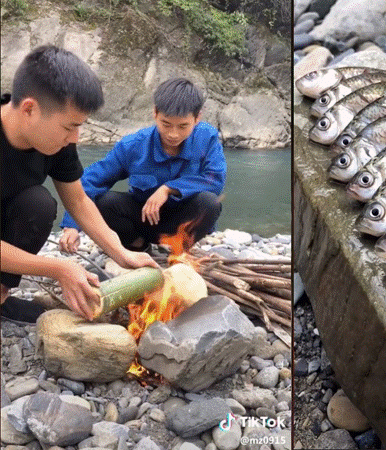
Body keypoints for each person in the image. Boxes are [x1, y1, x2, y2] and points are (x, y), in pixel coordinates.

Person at [1, 45, 158, 324]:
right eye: (69, 127)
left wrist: (121, 253)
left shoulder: (58, 142)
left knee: (38, 204)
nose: (75, 138)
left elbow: (78, 201)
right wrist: (59, 268)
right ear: (29, 109)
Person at [59, 78, 226, 260]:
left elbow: (215, 179)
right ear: (155, 113)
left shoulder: (207, 137)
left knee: (210, 202)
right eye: (166, 124)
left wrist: (168, 189)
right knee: (105, 201)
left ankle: (179, 250)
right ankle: (138, 245)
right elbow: (92, 180)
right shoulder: (133, 145)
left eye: (183, 126)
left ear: (197, 118)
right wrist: (72, 225)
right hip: (143, 222)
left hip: (182, 221)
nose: (173, 134)